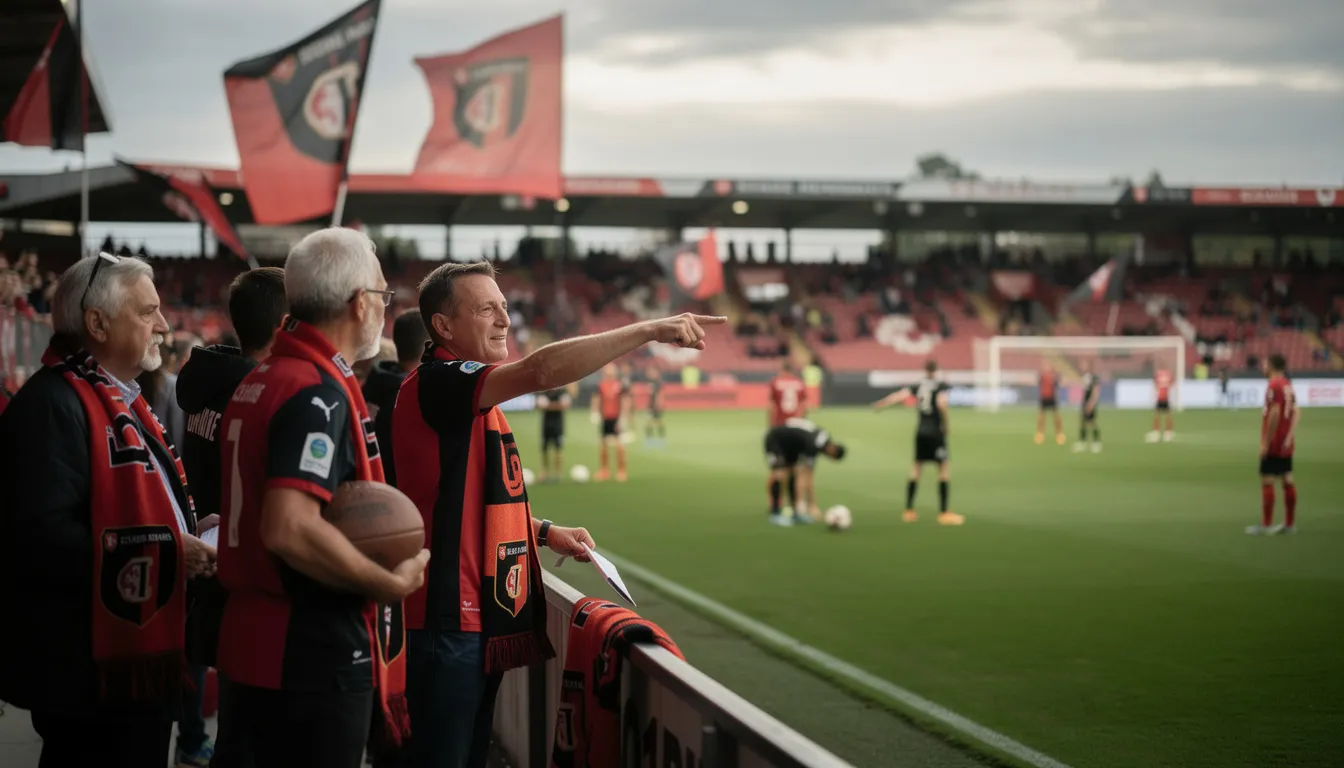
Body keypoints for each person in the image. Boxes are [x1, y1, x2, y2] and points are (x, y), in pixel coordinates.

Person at [393, 260, 725, 768]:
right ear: (443, 326)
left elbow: (462, 505)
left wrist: (544, 533)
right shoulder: (437, 383)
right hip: (444, 629)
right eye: (486, 309)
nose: (505, 319)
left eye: (505, 307)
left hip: (471, 627)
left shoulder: (469, 396)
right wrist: (651, 329)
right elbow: (542, 371)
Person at [215, 229, 429, 768]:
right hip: (305, 652)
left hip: (252, 639)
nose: (384, 309)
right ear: (360, 305)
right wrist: (388, 583)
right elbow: (288, 527)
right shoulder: (313, 389)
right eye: (383, 297)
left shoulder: (264, 375)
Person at [0, 253, 216, 768]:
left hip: (126, 666)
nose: (164, 326)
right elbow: (40, 538)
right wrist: (167, 550)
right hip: (90, 677)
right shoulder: (53, 404)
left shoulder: (119, 400)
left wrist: (189, 529)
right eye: (147, 313)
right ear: (96, 322)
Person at [174, 266, 288, 767]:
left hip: (208, 572)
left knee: (239, 731)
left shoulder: (206, 382)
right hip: (249, 581)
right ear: (286, 323)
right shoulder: (263, 393)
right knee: (257, 735)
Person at [873, 359, 963, 526]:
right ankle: (944, 513)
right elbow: (942, 404)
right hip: (936, 433)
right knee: (943, 469)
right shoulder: (941, 386)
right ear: (937, 370)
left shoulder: (918, 385)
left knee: (916, 468)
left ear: (925, 370)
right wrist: (946, 426)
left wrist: (881, 404)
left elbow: (899, 396)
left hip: (921, 431)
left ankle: (908, 510)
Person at [364, 308, 430, 489]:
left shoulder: (375, 384)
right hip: (398, 502)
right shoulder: (412, 399)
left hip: (370, 491)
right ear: (429, 348)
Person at [1248, 354, 1299, 535]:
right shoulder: (1287, 385)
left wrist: (1265, 442)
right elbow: (1297, 411)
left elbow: (1275, 413)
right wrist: (1289, 436)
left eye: (1265, 363)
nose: (1263, 366)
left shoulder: (1274, 385)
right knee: (1287, 479)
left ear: (1271, 365)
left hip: (1275, 442)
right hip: (1285, 442)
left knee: (1267, 479)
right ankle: (1289, 523)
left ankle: (1267, 524)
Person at [762, 417, 847, 526]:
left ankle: (795, 512)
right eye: (831, 456)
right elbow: (806, 476)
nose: (828, 457)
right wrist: (811, 505)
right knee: (779, 474)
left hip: (791, 445)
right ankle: (775, 513)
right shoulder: (814, 445)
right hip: (776, 439)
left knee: (792, 473)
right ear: (833, 449)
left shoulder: (822, 438)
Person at [767, 361, 808, 515]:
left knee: (776, 469)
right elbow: (804, 406)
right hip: (795, 429)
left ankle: (775, 504)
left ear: (783, 369)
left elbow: (771, 406)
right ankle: (795, 505)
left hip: (779, 429)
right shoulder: (799, 382)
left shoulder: (776, 382)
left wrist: (771, 427)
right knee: (793, 469)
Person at [591, 363, 630, 482]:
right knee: (603, 444)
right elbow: (597, 399)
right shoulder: (601, 385)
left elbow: (624, 400)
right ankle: (604, 470)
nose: (609, 374)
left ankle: (622, 471)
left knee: (619, 445)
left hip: (616, 418)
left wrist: (623, 416)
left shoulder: (620, 385)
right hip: (605, 418)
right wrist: (594, 412)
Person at [537, 384, 571, 482]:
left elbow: (565, 405)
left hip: (558, 424)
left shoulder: (562, 391)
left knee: (558, 448)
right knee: (544, 448)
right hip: (546, 424)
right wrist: (556, 405)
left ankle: (558, 473)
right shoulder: (544, 391)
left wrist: (548, 406)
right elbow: (539, 405)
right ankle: (545, 471)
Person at [1074, 362, 1102, 453]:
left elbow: (1096, 391)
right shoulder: (1085, 376)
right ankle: (1083, 442)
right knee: (1083, 422)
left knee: (1092, 422)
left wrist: (1091, 403)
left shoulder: (1094, 377)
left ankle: (1096, 442)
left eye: (1084, 364)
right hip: (1085, 402)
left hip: (1090, 402)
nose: (1082, 366)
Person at [1035, 363, 1064, 445]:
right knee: (1041, 417)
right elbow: (1038, 382)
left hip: (1052, 397)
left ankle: (1059, 434)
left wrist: (1057, 373)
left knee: (1056, 417)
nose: (1046, 367)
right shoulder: (1042, 376)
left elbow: (1058, 383)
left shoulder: (1053, 376)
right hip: (1044, 397)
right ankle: (1040, 434)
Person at [1147, 369, 1175, 442]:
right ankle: (1167, 433)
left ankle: (1159, 433)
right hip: (1165, 398)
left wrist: (1153, 396)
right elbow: (1172, 385)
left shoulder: (1159, 375)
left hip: (1161, 398)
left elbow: (1155, 386)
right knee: (1167, 415)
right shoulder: (1167, 375)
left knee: (1158, 415)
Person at [644, 364, 666, 446]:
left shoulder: (657, 382)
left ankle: (661, 436)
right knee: (649, 421)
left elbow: (659, 394)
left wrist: (658, 404)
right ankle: (649, 436)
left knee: (658, 421)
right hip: (650, 405)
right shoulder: (650, 382)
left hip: (655, 406)